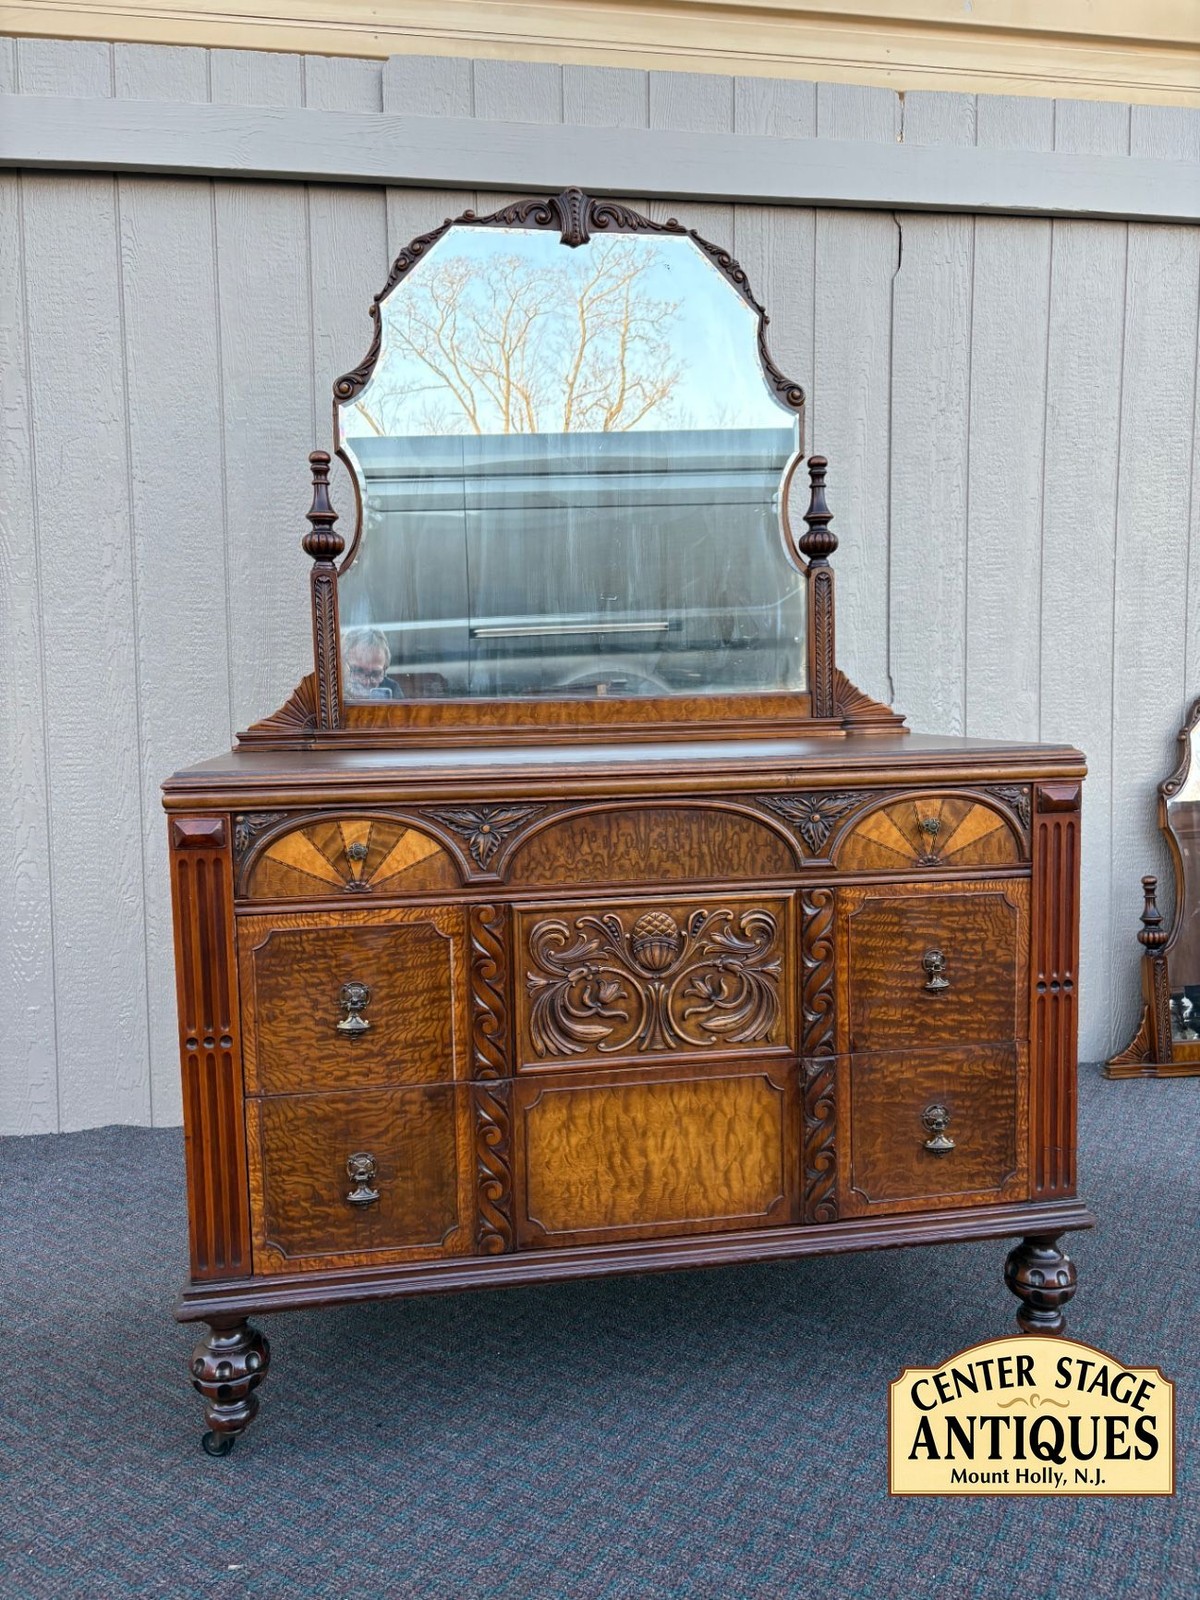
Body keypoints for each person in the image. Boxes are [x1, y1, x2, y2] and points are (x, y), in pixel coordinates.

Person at [342, 626, 398, 700]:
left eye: (375, 674)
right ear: (342, 666)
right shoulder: (333, 689)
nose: (366, 682)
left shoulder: (392, 689)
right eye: (358, 671)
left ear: (385, 668)